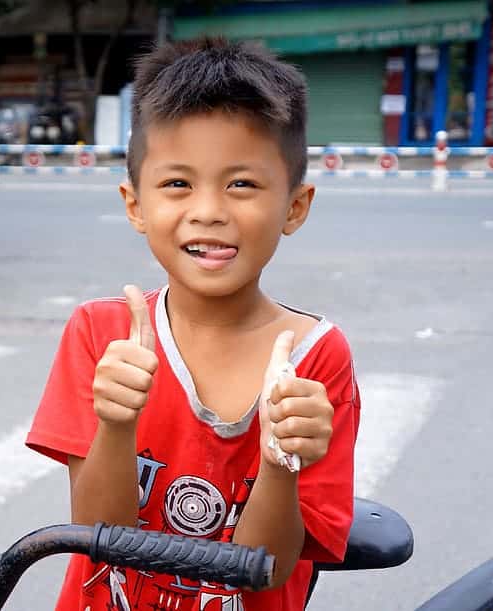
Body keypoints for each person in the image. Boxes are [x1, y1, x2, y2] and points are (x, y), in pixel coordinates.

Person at [26, 38, 360, 611]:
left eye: (242, 184)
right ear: (135, 205)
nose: (208, 211)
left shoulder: (316, 361)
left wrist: (281, 464)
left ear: (295, 207)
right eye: (178, 183)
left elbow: (270, 570)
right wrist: (114, 424)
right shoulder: (100, 333)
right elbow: (99, 534)